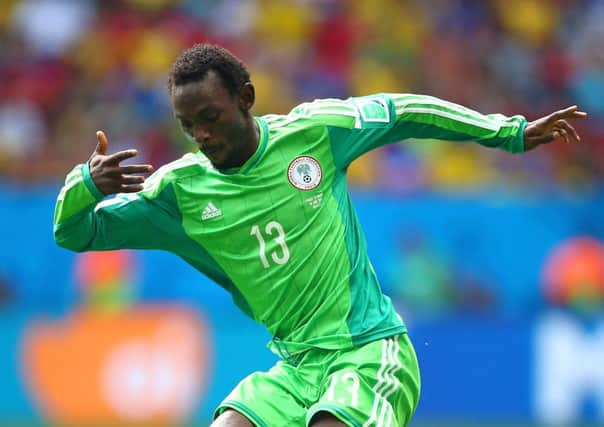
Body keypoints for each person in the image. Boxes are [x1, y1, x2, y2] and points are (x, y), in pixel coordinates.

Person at [53, 43, 587, 427]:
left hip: (370, 353)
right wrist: (86, 184)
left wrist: (506, 132)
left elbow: (405, 111)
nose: (201, 135)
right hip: (295, 368)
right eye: (187, 124)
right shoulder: (179, 192)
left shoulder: (314, 133)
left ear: (246, 97)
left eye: (211, 116)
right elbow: (75, 233)